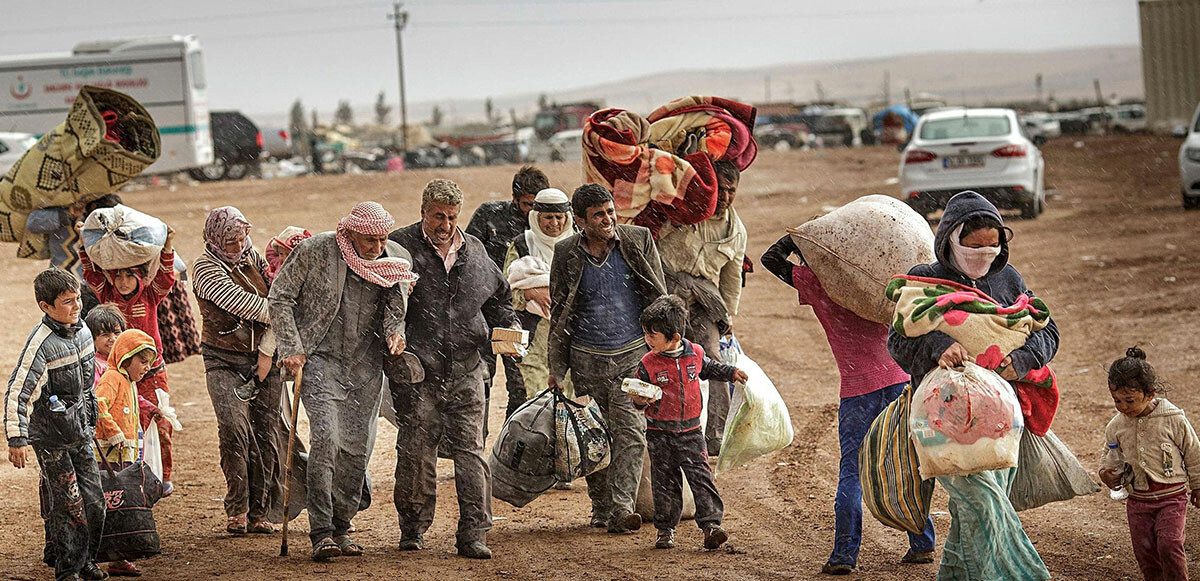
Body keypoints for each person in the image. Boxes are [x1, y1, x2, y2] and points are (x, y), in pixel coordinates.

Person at [888, 190, 1057, 581]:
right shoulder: (926, 281)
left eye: (992, 246)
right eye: (973, 245)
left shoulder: (1008, 279)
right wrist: (938, 346)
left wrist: (1023, 359)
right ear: (950, 238)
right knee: (985, 504)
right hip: (941, 421)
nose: (984, 254)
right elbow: (897, 339)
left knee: (972, 516)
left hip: (1003, 420)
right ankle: (1026, 574)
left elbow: (1048, 331)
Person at [761, 234, 936, 575]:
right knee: (909, 462)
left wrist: (805, 237)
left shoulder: (817, 284)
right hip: (901, 381)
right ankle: (922, 543)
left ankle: (844, 555)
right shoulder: (880, 280)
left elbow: (772, 258)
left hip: (858, 391)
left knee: (852, 471)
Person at [269, 201, 416, 561]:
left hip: (366, 366)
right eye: (370, 240)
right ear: (349, 232)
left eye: (382, 240)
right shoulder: (316, 249)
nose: (377, 247)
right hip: (320, 360)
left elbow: (397, 305)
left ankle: (343, 525)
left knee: (356, 448)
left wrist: (396, 333)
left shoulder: (392, 257)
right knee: (326, 440)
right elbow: (280, 296)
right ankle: (321, 531)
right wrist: (291, 346)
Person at [388, 179, 520, 560]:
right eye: (438, 216)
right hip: (418, 372)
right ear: (423, 212)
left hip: (466, 368)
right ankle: (412, 528)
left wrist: (507, 328)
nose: (445, 225)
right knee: (415, 450)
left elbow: (499, 297)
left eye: (451, 217)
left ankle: (474, 533)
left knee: (470, 453)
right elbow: (383, 301)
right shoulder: (400, 248)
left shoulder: (474, 250)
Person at [548, 183, 666, 532]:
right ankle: (600, 506)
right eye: (598, 215)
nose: (608, 219)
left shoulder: (637, 239)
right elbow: (560, 313)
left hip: (633, 358)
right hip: (586, 361)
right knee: (595, 438)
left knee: (632, 434)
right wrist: (557, 367)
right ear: (580, 221)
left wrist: (667, 350)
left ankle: (621, 508)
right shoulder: (566, 252)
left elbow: (659, 296)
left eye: (610, 211)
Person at [192, 207, 293, 537]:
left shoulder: (254, 256)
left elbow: (278, 293)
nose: (239, 246)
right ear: (216, 239)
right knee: (235, 428)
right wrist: (285, 313)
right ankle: (237, 507)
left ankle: (259, 511)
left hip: (264, 358)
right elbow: (248, 305)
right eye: (231, 241)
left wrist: (270, 344)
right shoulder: (206, 269)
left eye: (242, 238)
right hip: (224, 359)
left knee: (266, 431)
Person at [5, 268, 107, 581]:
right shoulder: (40, 345)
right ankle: (68, 570)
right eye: (67, 302)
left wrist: (92, 419)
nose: (76, 306)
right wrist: (16, 439)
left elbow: (87, 387)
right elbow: (18, 392)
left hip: (81, 434)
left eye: (77, 299)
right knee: (69, 505)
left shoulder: (86, 333)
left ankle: (87, 560)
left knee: (95, 503)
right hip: (50, 440)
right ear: (45, 306)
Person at [628, 295, 745, 551]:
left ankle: (711, 526)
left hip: (692, 432)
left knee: (701, 478)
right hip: (659, 433)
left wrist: (732, 373)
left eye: (653, 335)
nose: (648, 340)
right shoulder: (647, 363)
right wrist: (639, 401)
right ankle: (665, 530)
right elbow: (639, 397)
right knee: (665, 482)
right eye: (646, 334)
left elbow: (711, 368)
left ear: (675, 337)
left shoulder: (695, 354)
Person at [654, 160, 746, 456]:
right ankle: (657, 427)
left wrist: (727, 315)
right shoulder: (683, 210)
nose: (727, 197)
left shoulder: (736, 229)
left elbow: (732, 276)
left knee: (712, 360)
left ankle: (714, 436)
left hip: (704, 301)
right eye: (722, 189)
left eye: (732, 190)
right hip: (665, 293)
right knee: (657, 359)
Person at [80, 222, 178, 496]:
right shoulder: (107, 296)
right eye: (118, 276)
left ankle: (163, 476)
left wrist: (168, 244)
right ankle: (131, 476)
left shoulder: (149, 295)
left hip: (153, 370)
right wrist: (83, 241)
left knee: (161, 422)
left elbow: (166, 277)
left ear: (140, 277)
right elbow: (91, 274)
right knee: (129, 422)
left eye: (129, 276)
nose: (123, 282)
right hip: (120, 373)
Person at [1099, 347, 1200, 581]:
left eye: (1130, 400)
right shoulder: (1116, 425)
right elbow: (1109, 455)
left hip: (1171, 497)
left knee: (1169, 544)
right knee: (1145, 553)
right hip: (1138, 502)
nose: (1123, 406)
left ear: (1150, 394)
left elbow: (1193, 451)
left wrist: (1198, 485)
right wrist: (1106, 473)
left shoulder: (1172, 418)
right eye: (1117, 400)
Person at [465, 166, 549, 433]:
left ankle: (511, 450)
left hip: (524, 322)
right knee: (479, 384)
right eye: (528, 204)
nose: (533, 211)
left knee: (521, 389)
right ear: (515, 198)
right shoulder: (489, 216)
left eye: (538, 205)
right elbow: (467, 259)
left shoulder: (549, 226)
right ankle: (475, 448)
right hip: (484, 317)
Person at [503, 187, 575, 409]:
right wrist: (529, 293)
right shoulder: (522, 245)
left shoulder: (577, 244)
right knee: (537, 406)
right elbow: (505, 293)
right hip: (534, 343)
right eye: (548, 217)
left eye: (559, 217)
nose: (554, 224)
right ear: (536, 218)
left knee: (571, 406)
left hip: (572, 341)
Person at [92, 328, 157, 578]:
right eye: (142, 361)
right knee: (108, 506)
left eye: (149, 363)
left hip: (123, 458)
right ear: (125, 358)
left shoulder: (128, 382)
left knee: (120, 508)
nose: (146, 367)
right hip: (108, 459)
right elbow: (98, 404)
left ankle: (118, 557)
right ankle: (100, 554)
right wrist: (113, 432)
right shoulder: (112, 378)